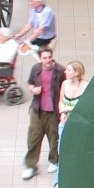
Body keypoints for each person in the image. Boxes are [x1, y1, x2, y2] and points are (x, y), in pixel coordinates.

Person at [23, 47, 64, 180]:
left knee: (53, 136)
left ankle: (54, 160)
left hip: (53, 111)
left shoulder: (60, 70)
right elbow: (30, 83)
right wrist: (33, 89)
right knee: (34, 137)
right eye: (44, 58)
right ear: (40, 58)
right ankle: (31, 165)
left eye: (49, 57)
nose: (47, 60)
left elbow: (65, 86)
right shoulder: (36, 69)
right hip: (37, 109)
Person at [53, 60, 88, 188]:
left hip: (78, 124)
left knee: (79, 152)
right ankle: (58, 182)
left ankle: (78, 181)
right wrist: (63, 112)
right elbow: (61, 101)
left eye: (68, 70)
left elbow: (85, 107)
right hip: (65, 122)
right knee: (62, 151)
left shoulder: (86, 87)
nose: (65, 72)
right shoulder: (64, 84)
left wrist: (68, 109)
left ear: (77, 72)